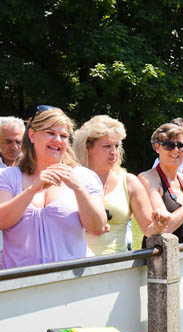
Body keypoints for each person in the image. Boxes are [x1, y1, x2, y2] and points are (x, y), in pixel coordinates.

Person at [0, 107, 106, 268]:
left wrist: (79, 189)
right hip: (19, 279)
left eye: (63, 136)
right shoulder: (9, 176)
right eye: (50, 133)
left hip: (68, 278)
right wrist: (32, 190)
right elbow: (2, 221)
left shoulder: (85, 177)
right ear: (32, 135)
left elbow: (97, 227)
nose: (57, 140)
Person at [73, 115, 169, 255]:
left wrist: (158, 225)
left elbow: (148, 228)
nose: (114, 152)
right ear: (89, 147)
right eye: (107, 146)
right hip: (75, 263)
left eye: (117, 146)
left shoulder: (129, 182)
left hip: (117, 264)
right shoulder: (72, 178)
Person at [139, 122, 183, 243]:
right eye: (169, 145)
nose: (176, 150)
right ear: (157, 147)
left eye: (181, 146)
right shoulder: (148, 179)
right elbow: (165, 226)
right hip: (163, 252)